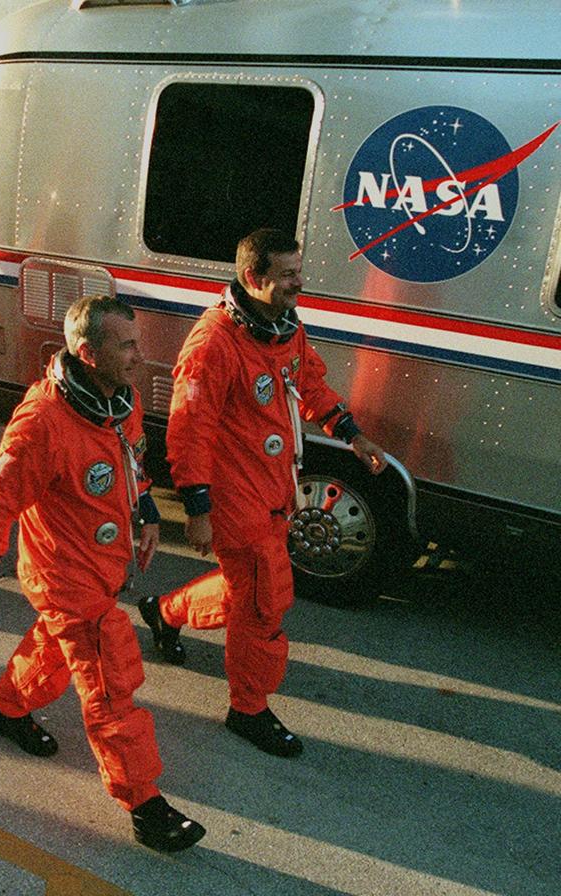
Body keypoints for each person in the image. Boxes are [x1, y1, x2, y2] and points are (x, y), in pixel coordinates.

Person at [0, 294, 206, 854]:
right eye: (128, 346)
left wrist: (145, 516)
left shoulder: (121, 401)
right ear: (89, 353)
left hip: (101, 567)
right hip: (65, 577)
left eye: (137, 343)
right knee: (111, 682)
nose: (140, 356)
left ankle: (8, 707)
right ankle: (144, 804)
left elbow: (132, 461)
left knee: (52, 648)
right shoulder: (42, 422)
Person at [143, 228, 388, 758]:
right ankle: (248, 708)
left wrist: (353, 435)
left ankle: (164, 614)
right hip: (236, 498)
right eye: (287, 276)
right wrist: (198, 507)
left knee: (244, 591)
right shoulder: (214, 345)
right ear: (253, 278)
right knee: (265, 602)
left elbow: (311, 386)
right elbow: (190, 430)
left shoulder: (282, 330)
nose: (299, 284)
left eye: (298, 272)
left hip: (275, 488)